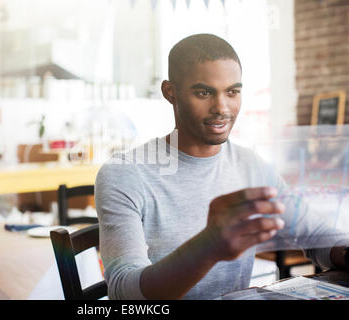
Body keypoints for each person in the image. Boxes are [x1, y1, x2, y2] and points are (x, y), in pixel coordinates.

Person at [94, 34, 349, 300]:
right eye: (204, 92)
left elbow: (315, 234)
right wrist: (208, 246)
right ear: (170, 92)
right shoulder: (124, 174)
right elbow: (125, 294)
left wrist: (345, 251)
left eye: (232, 92)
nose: (222, 108)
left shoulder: (252, 166)